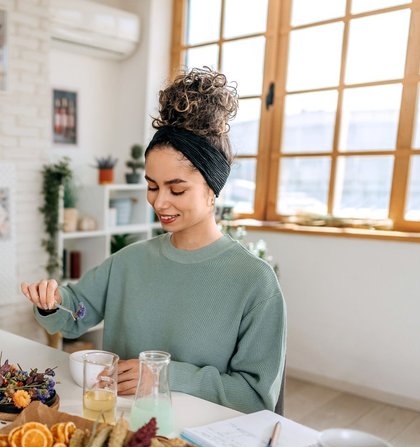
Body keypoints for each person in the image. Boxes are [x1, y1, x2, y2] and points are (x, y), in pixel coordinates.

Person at [21, 68, 286, 414]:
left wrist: (162, 376)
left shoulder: (254, 281)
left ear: (212, 189)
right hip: (119, 426)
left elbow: (254, 396)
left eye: (177, 189)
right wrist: (52, 302)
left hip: (196, 437)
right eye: (152, 186)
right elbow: (75, 314)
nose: (159, 202)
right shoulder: (129, 261)